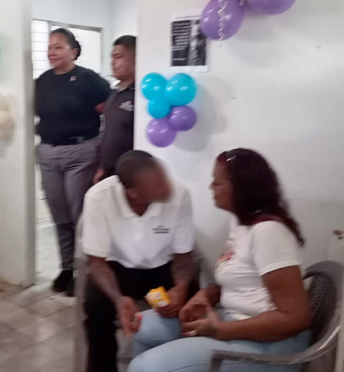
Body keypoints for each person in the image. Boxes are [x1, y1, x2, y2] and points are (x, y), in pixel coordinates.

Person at [129, 149, 312, 372]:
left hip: (269, 346)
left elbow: (296, 318)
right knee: (140, 327)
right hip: (231, 320)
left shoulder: (268, 232)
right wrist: (205, 295)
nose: (211, 187)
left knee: (143, 367)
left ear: (241, 187)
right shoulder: (241, 224)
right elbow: (243, 282)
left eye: (217, 182)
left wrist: (220, 330)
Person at [83, 150, 195, 372]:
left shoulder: (180, 195)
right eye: (159, 184)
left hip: (162, 267)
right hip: (116, 268)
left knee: (192, 305)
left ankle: (180, 364)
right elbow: (96, 262)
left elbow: (183, 258)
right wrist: (118, 299)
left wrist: (181, 289)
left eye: (165, 177)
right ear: (133, 193)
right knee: (96, 309)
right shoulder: (99, 197)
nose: (168, 187)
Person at [36, 28, 111, 296]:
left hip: (80, 153)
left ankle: (85, 272)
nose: (52, 52)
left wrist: (102, 151)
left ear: (73, 51)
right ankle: (66, 268)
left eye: (58, 47)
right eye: (49, 47)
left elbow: (110, 113)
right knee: (59, 215)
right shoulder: (42, 81)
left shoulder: (87, 79)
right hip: (48, 153)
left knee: (79, 215)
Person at [94, 35, 137, 184]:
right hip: (109, 170)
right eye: (112, 57)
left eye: (118, 57)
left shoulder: (140, 95)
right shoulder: (114, 92)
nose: (112, 62)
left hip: (131, 173)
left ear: (135, 60)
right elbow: (109, 133)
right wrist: (102, 166)